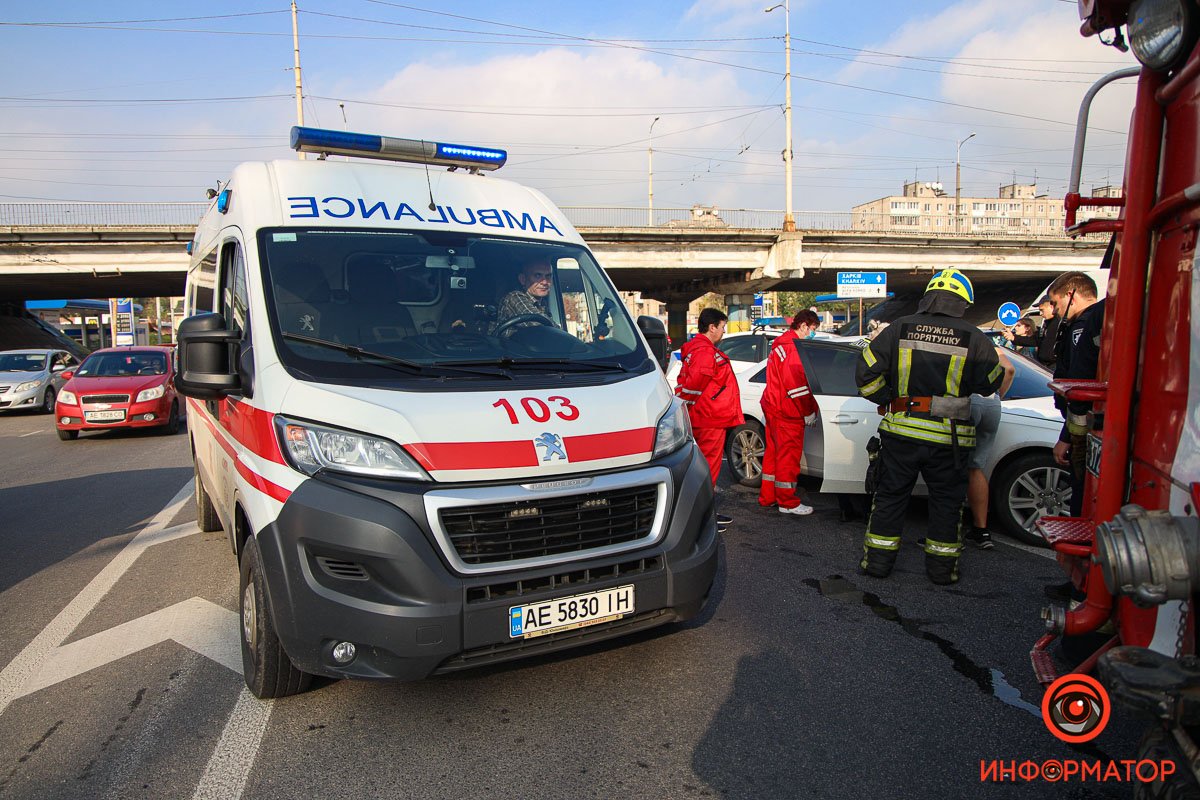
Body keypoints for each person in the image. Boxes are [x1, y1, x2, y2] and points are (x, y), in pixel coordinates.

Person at [855, 269, 1004, 585]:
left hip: (902, 432)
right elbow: (991, 381)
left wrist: (887, 399)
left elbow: (865, 372)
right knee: (947, 506)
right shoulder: (975, 337)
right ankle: (941, 571)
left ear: (928, 297)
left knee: (890, 499)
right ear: (963, 302)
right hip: (950, 440)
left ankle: (877, 565)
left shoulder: (899, 328)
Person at [676, 308, 745, 533]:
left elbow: (689, 385)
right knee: (709, 470)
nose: (724, 332)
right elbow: (695, 383)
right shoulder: (705, 351)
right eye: (723, 327)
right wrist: (688, 404)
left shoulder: (697, 349)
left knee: (703, 468)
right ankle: (703, 519)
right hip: (710, 418)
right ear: (712, 327)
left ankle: (704, 515)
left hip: (706, 416)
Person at [1048, 271, 1105, 515]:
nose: (1054, 309)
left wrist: (1068, 438)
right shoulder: (1101, 317)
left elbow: (1079, 384)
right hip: (1093, 424)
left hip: (1085, 428)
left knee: (1082, 495)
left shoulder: (1083, 325)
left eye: (1055, 302)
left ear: (1071, 294)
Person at [759, 309, 821, 515]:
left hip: (774, 407)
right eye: (812, 330)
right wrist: (807, 412)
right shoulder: (793, 349)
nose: (812, 334)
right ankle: (787, 502)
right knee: (788, 458)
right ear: (803, 326)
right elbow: (797, 387)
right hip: (788, 412)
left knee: (773, 455)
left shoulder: (780, 345)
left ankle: (768, 496)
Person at [963, 348, 1016, 549]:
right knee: (975, 468)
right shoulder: (988, 344)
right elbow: (1008, 369)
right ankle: (981, 531)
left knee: (950, 465)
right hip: (991, 402)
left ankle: (947, 531)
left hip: (967, 401)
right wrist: (997, 394)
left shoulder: (960, 337)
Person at [496, 258, 554, 335]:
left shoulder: (543, 304)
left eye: (548, 276)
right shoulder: (514, 297)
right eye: (537, 275)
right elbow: (539, 324)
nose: (545, 282)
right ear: (522, 279)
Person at [1004, 295, 1060, 369]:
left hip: (1055, 366)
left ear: (1051, 307)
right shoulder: (1047, 324)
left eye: (1042, 310)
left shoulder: (1060, 323)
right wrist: (1013, 338)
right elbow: (1035, 340)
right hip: (1046, 366)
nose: (1040, 313)